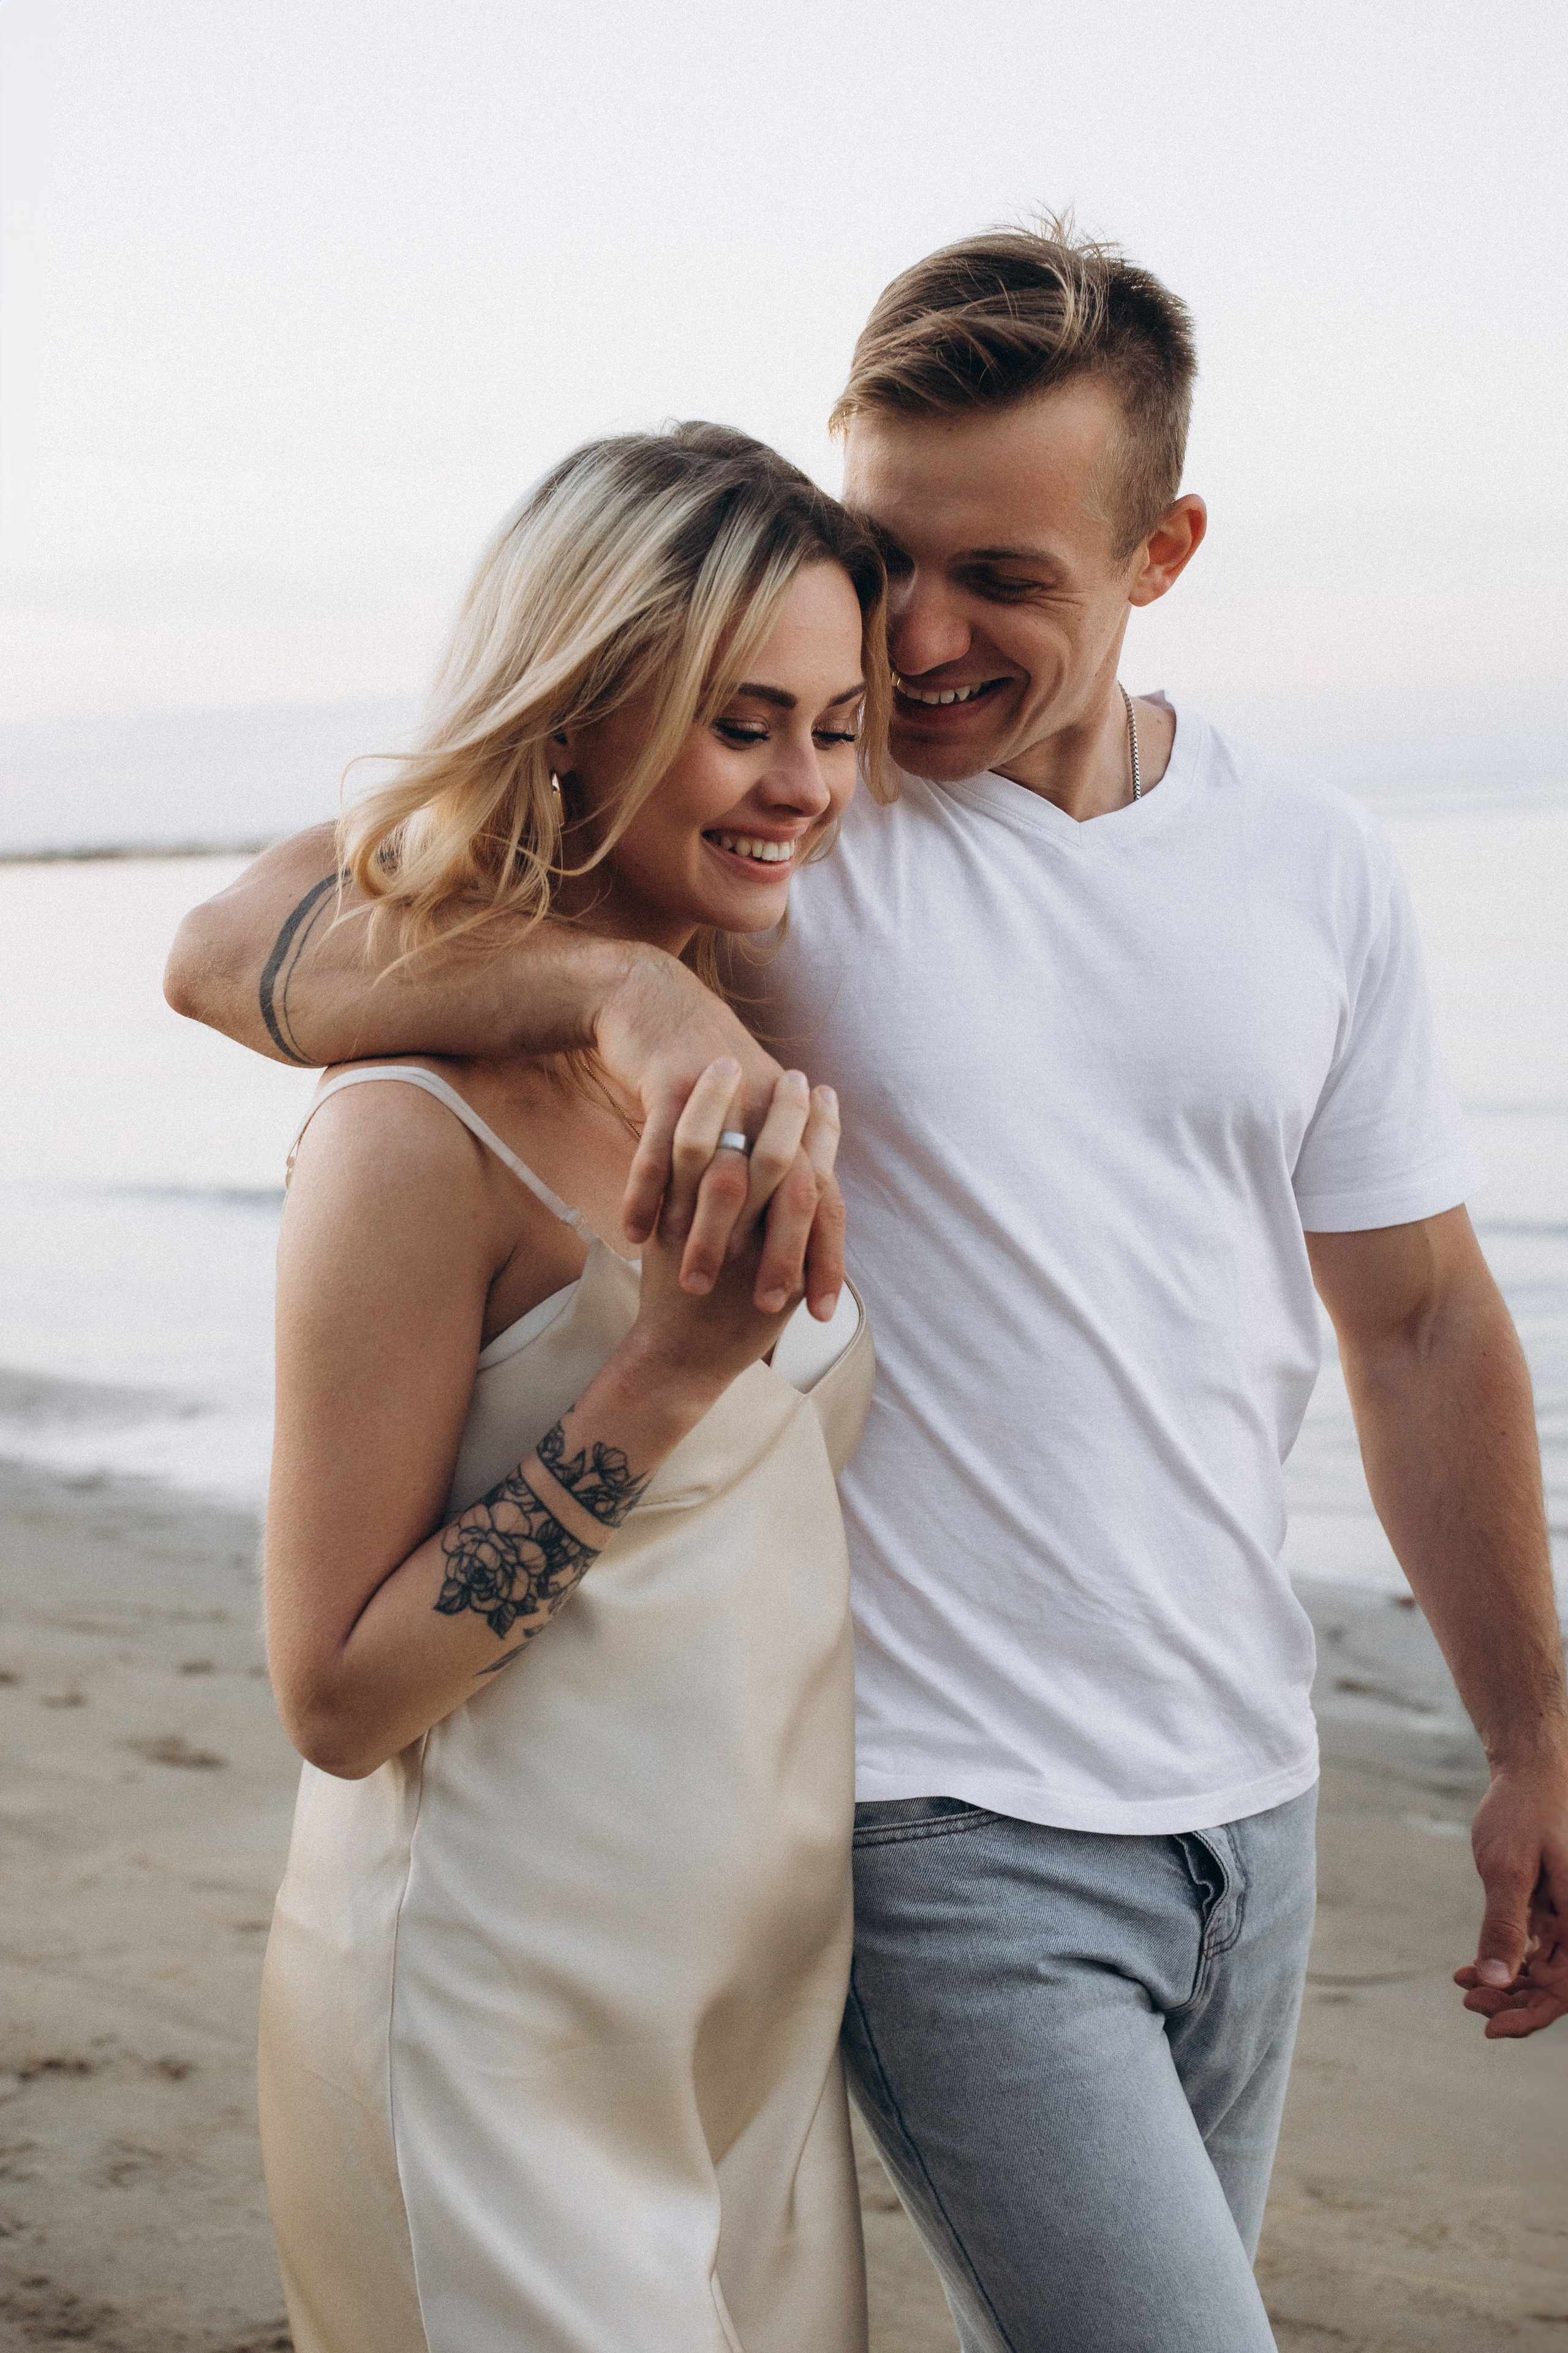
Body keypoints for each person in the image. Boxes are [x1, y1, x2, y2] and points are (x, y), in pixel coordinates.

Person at [167, 225, 1568, 2352]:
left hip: (1242, 1788)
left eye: (1003, 577)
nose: (910, 652)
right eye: (882, 554)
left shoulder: (1316, 864)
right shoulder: (792, 833)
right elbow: (227, 950)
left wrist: (1533, 1731)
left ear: (1162, 549)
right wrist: (613, 979)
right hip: (934, 1818)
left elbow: (1424, 1320)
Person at [246, 422, 894, 2353]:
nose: (805, 787)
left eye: (841, 727)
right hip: (494, 2024)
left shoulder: (755, 1031)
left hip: (755, 2030)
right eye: (744, 721)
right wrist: (663, 1378)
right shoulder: (409, 1136)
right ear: (577, 713)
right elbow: (339, 1696)